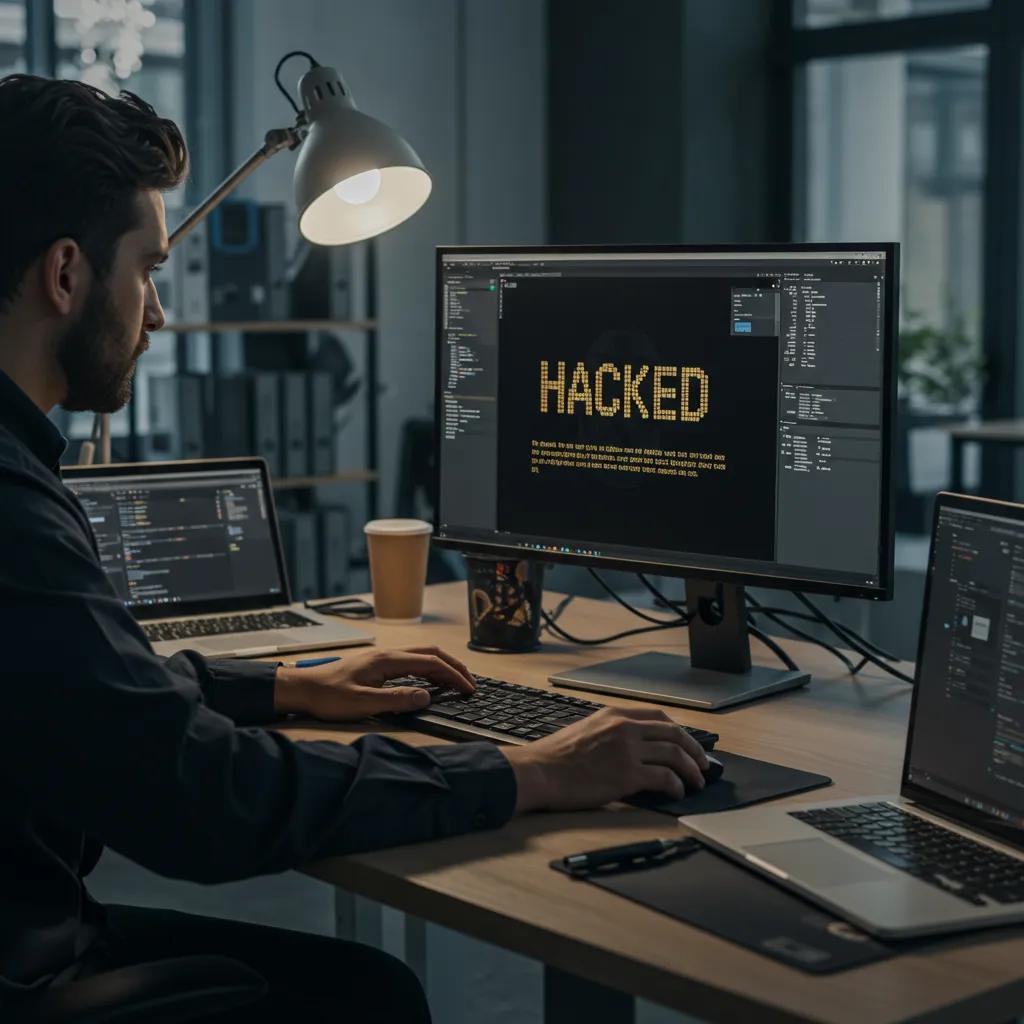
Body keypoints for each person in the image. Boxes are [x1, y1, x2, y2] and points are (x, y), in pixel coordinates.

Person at [0, 74, 709, 1022]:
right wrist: (528, 771)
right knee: (367, 998)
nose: (158, 313)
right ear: (65, 274)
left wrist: (286, 684)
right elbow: (205, 798)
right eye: (149, 271)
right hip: (30, 971)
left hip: (29, 931)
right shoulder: (12, 506)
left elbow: (84, 696)